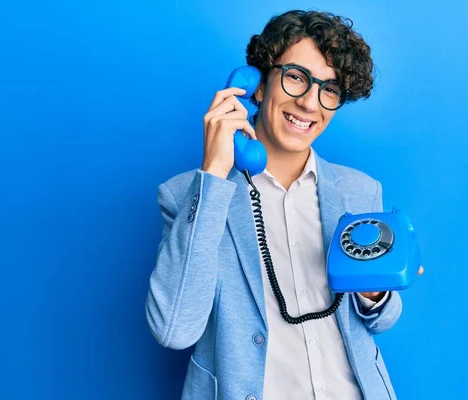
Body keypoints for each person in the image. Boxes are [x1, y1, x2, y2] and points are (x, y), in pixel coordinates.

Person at [146, 9, 423, 400]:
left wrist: (377, 290)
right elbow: (173, 329)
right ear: (257, 85)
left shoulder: (359, 190)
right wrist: (212, 177)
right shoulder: (186, 197)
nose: (311, 103)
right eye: (296, 77)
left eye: (329, 89)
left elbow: (382, 320)